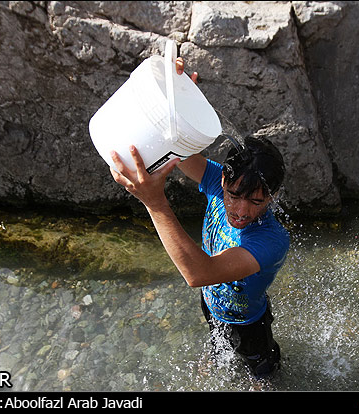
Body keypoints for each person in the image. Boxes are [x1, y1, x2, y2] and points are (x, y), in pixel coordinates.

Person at [109, 57, 289, 379]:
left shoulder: (271, 241)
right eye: (233, 195)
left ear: (272, 198)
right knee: (217, 342)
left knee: (262, 370)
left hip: (249, 321)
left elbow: (198, 273)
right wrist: (176, 109)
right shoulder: (214, 179)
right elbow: (176, 150)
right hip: (212, 304)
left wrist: (154, 202)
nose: (241, 210)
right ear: (222, 181)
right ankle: (219, 353)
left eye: (256, 201)